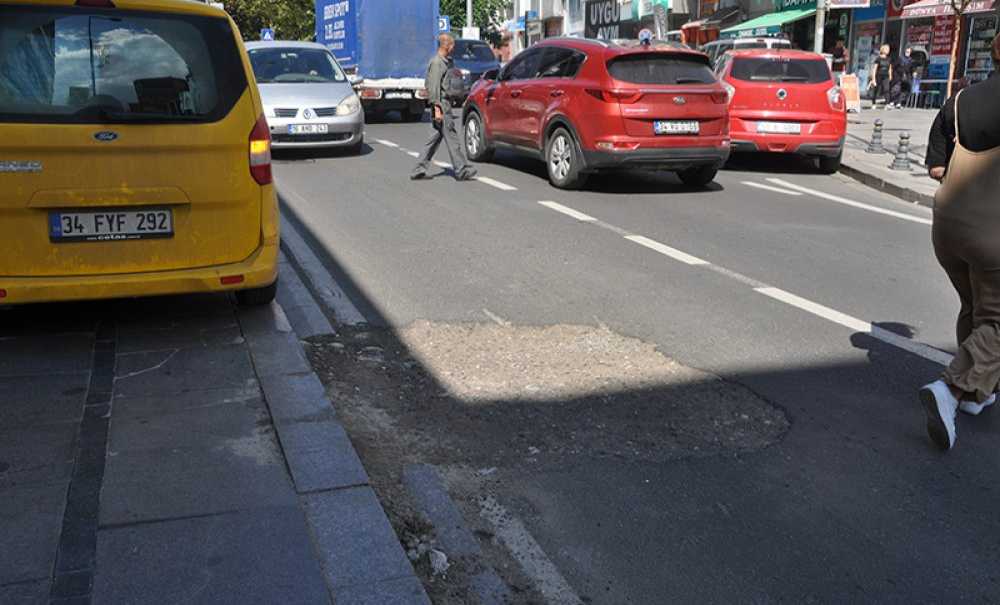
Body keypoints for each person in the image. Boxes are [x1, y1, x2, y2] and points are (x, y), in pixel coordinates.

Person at [921, 33, 1000, 450]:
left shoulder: (958, 102)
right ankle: (951, 391)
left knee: (975, 306)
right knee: (998, 322)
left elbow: (936, 167)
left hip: (948, 223)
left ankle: (979, 392)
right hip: (993, 232)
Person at [410, 33, 477, 182]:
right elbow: (433, 88)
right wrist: (437, 109)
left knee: (433, 140)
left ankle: (418, 170)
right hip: (441, 105)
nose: (453, 48)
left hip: (443, 105)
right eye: (452, 45)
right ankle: (462, 170)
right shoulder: (437, 63)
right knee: (452, 138)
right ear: (447, 46)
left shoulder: (444, 62)